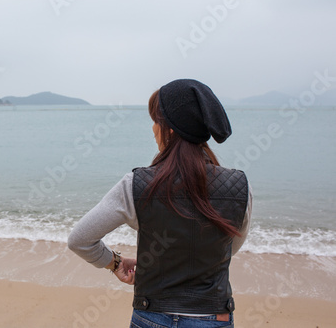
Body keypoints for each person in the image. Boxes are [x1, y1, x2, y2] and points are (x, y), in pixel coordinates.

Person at [68, 79, 252, 328]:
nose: (153, 128)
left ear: (171, 129)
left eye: (156, 121)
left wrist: (116, 263)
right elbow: (229, 247)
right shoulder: (239, 186)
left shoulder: (136, 184)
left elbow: (79, 239)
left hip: (152, 316)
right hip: (213, 316)